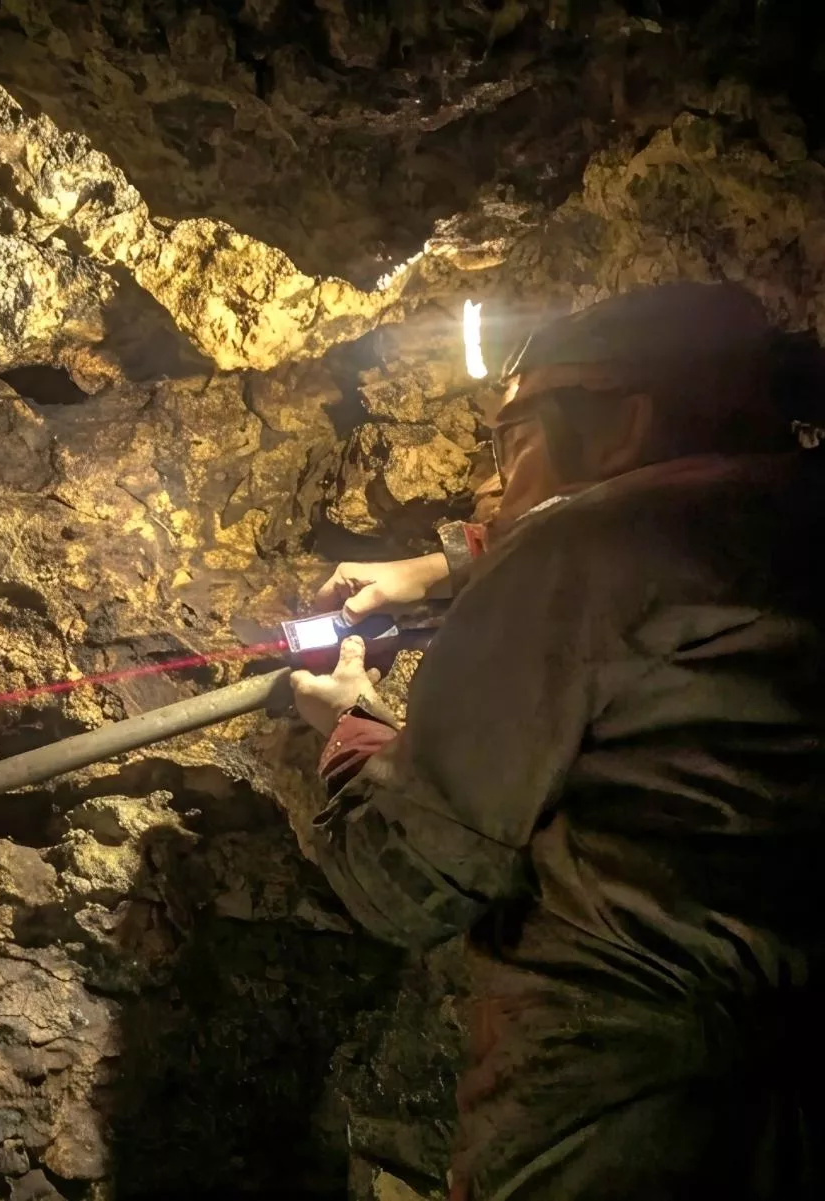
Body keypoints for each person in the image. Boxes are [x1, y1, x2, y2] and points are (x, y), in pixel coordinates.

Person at [288, 282, 825, 1200]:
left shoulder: (576, 552)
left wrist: (349, 724)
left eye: (512, 440)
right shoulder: (787, 512)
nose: (494, 479)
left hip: (624, 1098)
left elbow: (405, 878)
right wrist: (444, 563)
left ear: (621, 423)